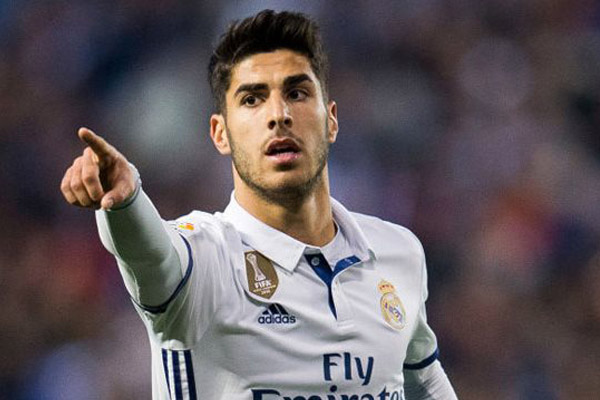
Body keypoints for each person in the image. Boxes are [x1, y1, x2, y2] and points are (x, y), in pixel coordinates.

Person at [60, 9, 458, 400]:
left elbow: (424, 382)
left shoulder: (397, 252)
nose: (279, 115)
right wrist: (126, 203)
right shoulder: (206, 260)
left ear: (331, 120)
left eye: (297, 93)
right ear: (221, 134)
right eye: (252, 99)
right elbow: (149, 255)